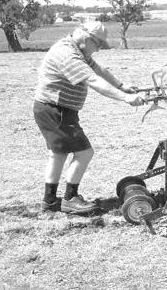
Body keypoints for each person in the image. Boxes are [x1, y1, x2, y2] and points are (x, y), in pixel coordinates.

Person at [33, 21, 145, 214]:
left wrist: (121, 85)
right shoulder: (67, 54)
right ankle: (70, 199)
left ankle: (50, 201)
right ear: (86, 38)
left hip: (55, 109)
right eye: (98, 44)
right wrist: (126, 97)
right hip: (55, 110)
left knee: (58, 154)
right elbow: (93, 80)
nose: (99, 49)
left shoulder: (78, 50)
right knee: (85, 153)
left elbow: (98, 70)